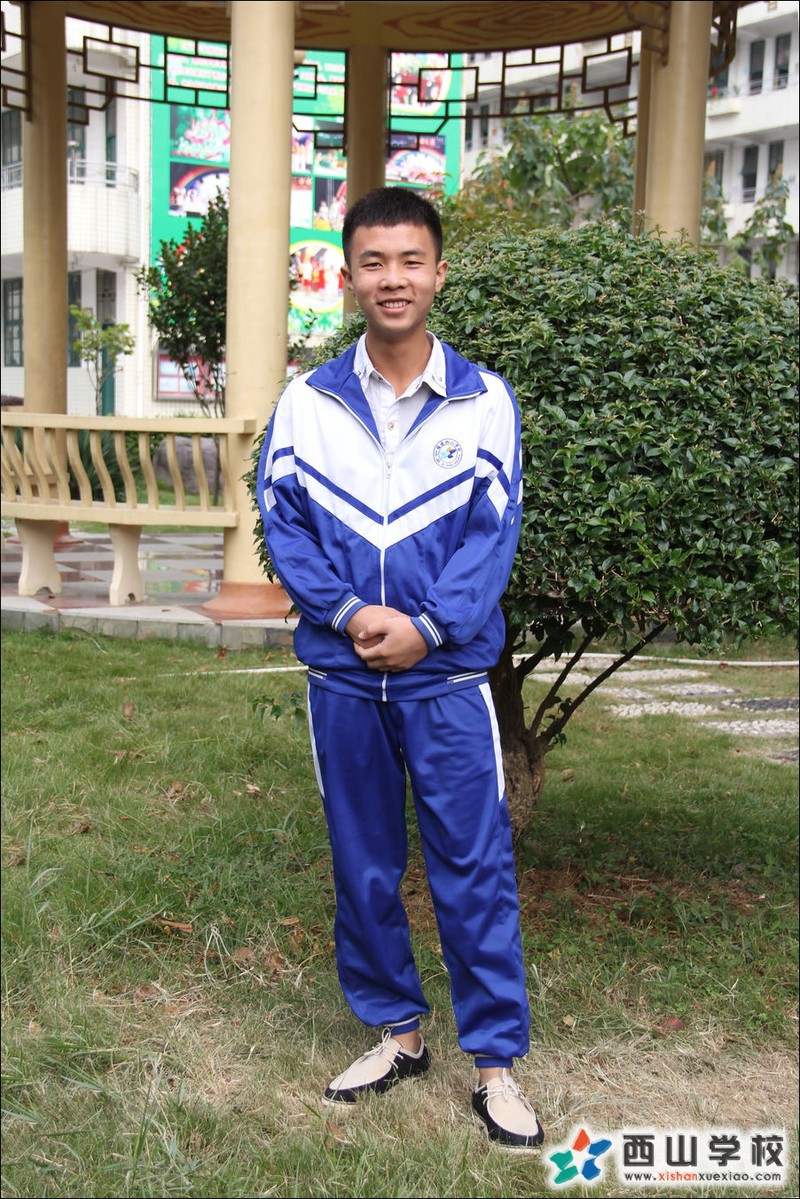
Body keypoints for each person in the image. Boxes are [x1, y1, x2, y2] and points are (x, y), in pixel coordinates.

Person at [256, 187, 543, 1152]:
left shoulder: (484, 401)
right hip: (343, 678)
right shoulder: (306, 402)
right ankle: (398, 1032)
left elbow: (492, 536)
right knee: (364, 862)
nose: (393, 278)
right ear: (349, 276)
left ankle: (495, 1063)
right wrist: (347, 614)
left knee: (473, 866)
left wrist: (427, 626)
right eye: (373, 262)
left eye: (410, 260)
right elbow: (285, 524)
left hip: (446, 680)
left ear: (438, 273)